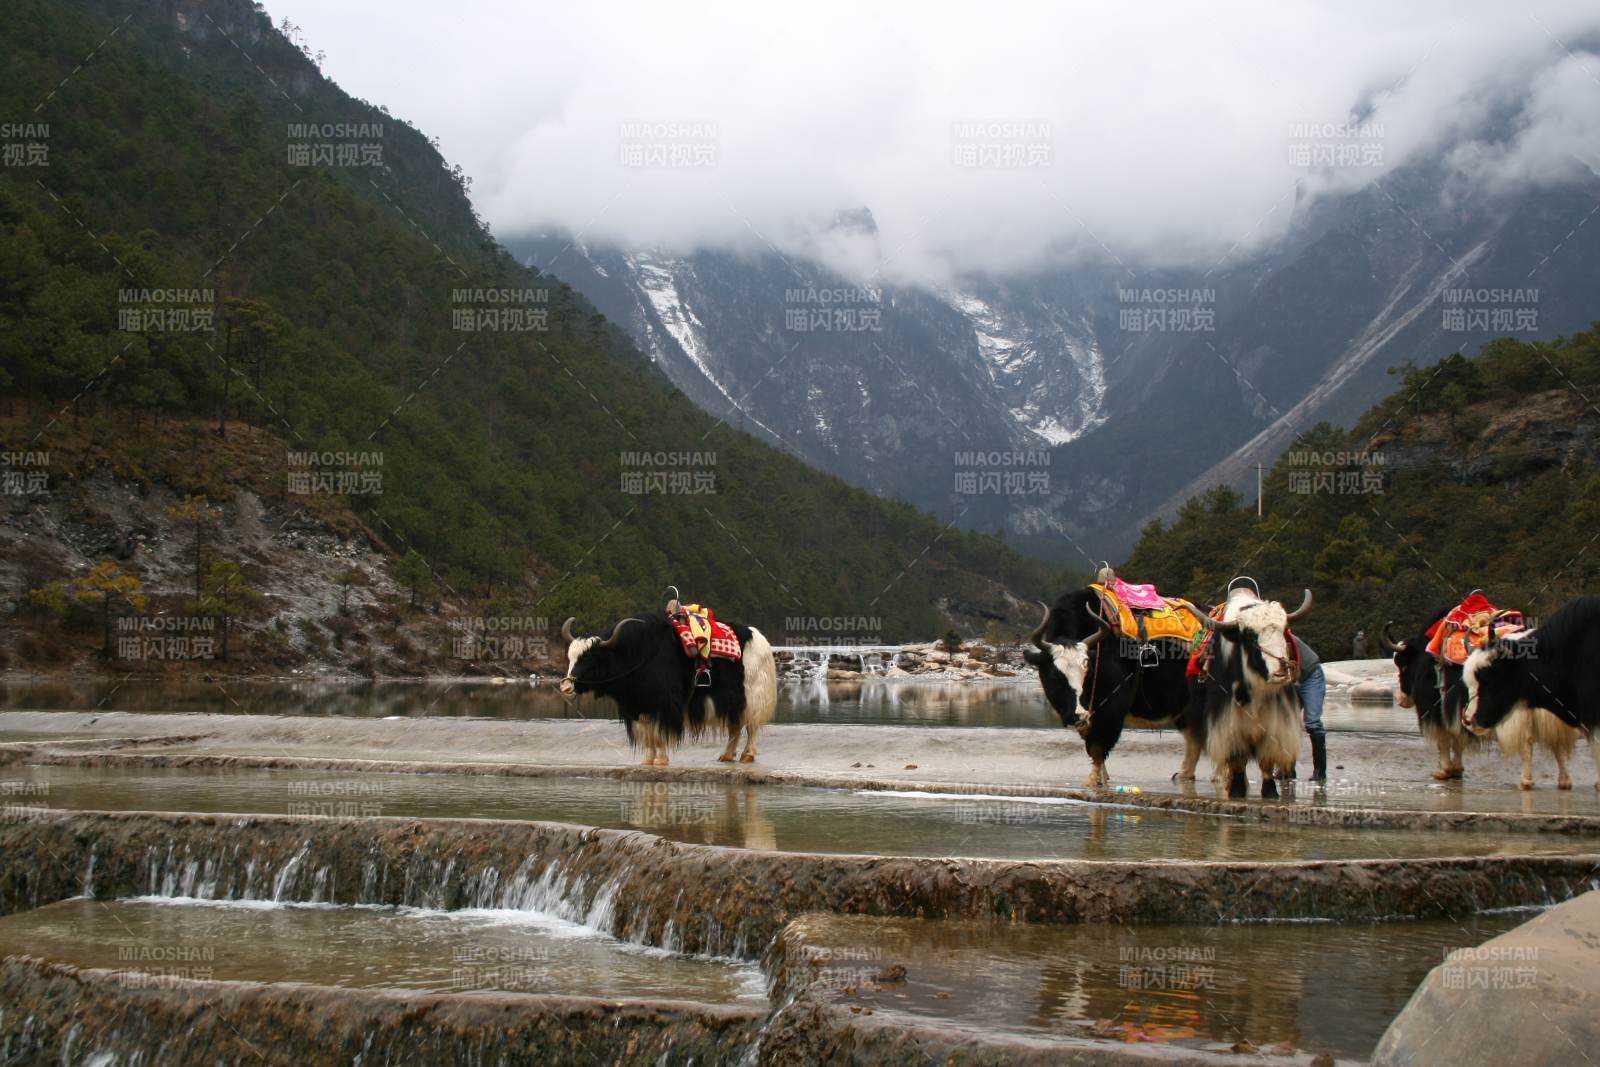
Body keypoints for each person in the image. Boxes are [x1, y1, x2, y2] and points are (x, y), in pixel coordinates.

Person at [1294, 635, 1327, 781]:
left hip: (1310, 675)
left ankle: (1320, 771)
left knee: (1312, 723)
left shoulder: (1277, 636)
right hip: (1289, 679)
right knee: (1287, 724)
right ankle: (1286, 768)